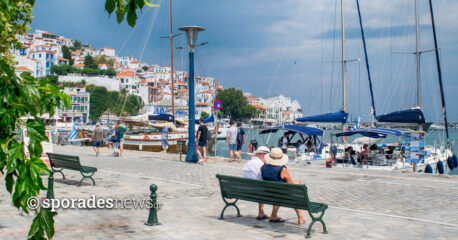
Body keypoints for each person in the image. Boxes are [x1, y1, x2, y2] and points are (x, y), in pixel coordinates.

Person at [261, 148, 305, 225]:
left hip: (267, 194)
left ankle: (274, 215)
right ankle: (300, 217)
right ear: (281, 157)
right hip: (280, 195)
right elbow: (291, 185)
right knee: (297, 185)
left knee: (278, 191)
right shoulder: (282, 169)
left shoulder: (263, 167)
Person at [242, 146, 270, 220]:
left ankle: (261, 213)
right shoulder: (261, 165)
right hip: (256, 192)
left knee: (260, 186)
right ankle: (272, 215)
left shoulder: (249, 162)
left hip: (245, 191)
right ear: (262, 154)